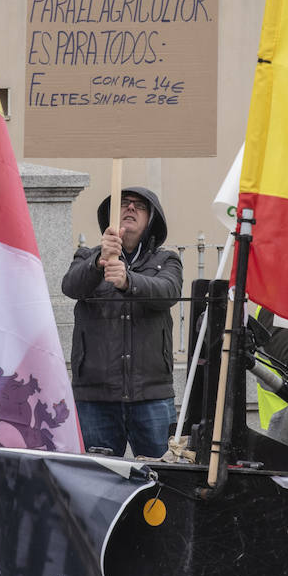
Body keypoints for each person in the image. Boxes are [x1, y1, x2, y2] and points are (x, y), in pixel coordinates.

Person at [61, 186, 182, 458]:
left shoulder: (166, 260)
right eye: (124, 203)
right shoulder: (86, 257)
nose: (130, 208)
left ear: (151, 218)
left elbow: (169, 292)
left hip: (151, 395)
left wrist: (130, 281)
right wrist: (98, 261)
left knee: (161, 480)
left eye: (139, 206)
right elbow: (70, 286)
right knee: (97, 479)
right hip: (95, 397)